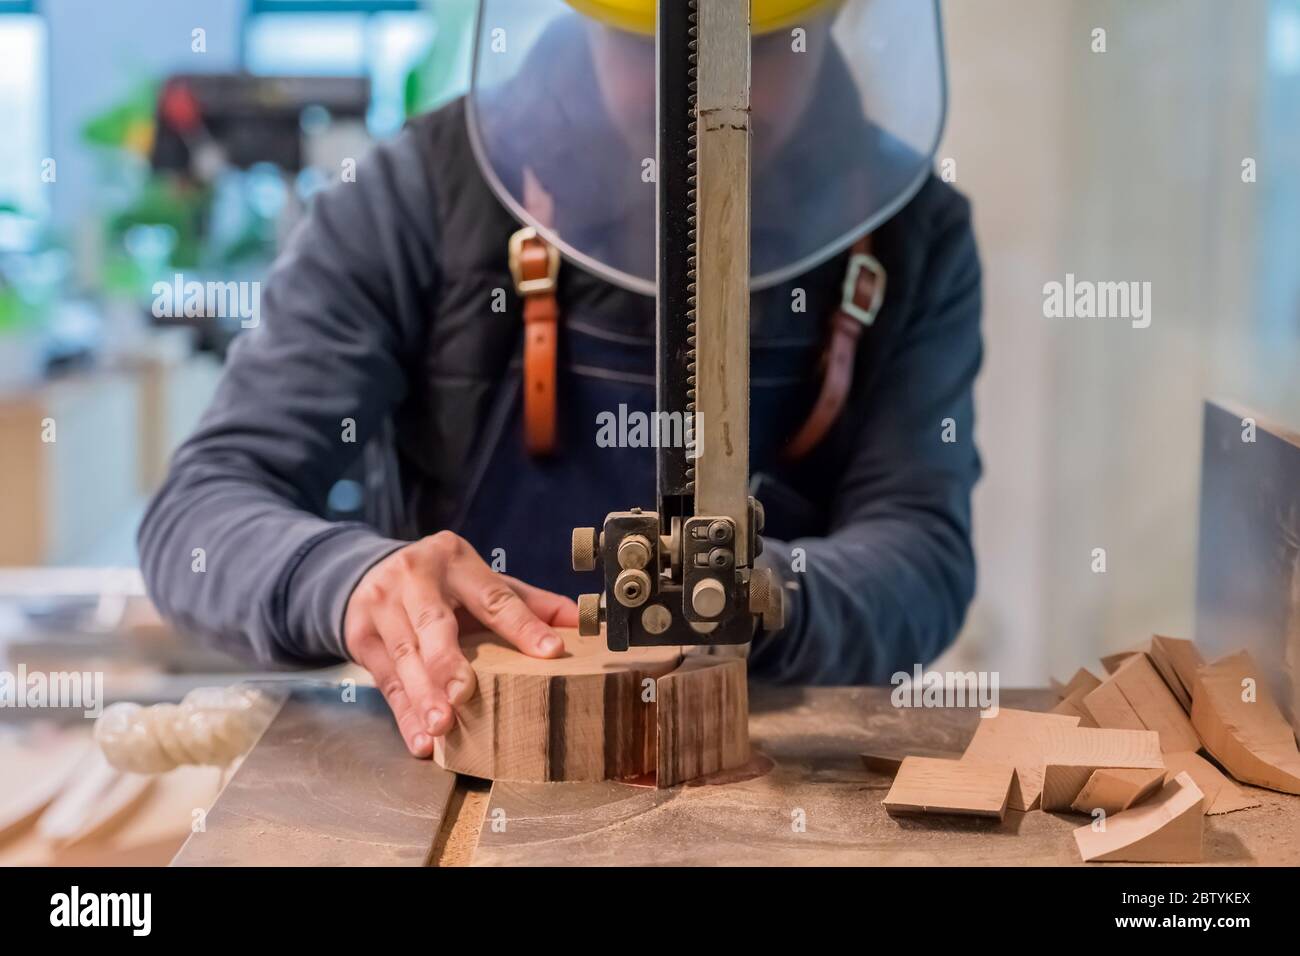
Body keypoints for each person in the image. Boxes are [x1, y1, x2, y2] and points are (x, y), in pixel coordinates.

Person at [139, 0, 983, 758]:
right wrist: (349, 580)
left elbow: (922, 548)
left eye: (760, 51)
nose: (702, 101)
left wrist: (768, 595)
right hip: (465, 760)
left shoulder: (907, 232)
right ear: (588, 20)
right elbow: (200, 510)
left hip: (750, 761)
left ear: (832, 20)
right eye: (648, 47)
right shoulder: (419, 197)